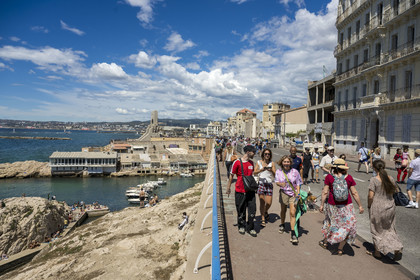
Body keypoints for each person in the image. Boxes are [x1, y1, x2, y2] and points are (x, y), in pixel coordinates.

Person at [319, 158, 364, 256]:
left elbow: (325, 192)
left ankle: (325, 242)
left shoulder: (329, 177)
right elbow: (354, 193)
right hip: (347, 205)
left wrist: (322, 205)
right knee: (347, 226)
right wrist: (360, 206)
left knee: (331, 223)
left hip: (332, 205)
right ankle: (340, 249)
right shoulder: (349, 178)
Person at [367, 160, 403, 260]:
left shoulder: (374, 180)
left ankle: (377, 252)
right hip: (390, 207)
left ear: (374, 168)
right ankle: (397, 247)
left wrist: (369, 205)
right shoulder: (390, 178)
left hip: (378, 208)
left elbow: (371, 196)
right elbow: (396, 190)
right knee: (390, 228)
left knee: (377, 229)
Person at [226, 144, 257, 237]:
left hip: (250, 190)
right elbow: (231, 175)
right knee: (241, 209)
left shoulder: (251, 163)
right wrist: (228, 188)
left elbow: (252, 175)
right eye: (253, 152)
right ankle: (241, 225)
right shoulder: (237, 162)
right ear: (248, 152)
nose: (254, 154)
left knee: (252, 210)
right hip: (240, 189)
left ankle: (250, 227)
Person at [275, 155, 303, 244]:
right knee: (283, 210)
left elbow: (298, 183)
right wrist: (280, 184)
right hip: (283, 193)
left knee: (292, 213)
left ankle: (293, 233)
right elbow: (276, 182)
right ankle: (282, 224)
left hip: (293, 194)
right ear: (282, 163)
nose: (286, 163)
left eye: (288, 162)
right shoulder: (279, 171)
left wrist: (298, 194)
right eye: (285, 162)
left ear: (290, 163)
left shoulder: (295, 171)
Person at [254, 148, 276, 227]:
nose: (267, 155)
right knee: (262, 202)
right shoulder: (259, 162)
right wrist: (261, 170)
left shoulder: (272, 163)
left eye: (268, 154)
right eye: (265, 154)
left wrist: (271, 170)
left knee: (269, 203)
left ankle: (265, 211)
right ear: (263, 154)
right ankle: (263, 218)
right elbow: (254, 172)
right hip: (261, 183)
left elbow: (275, 175)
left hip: (269, 184)